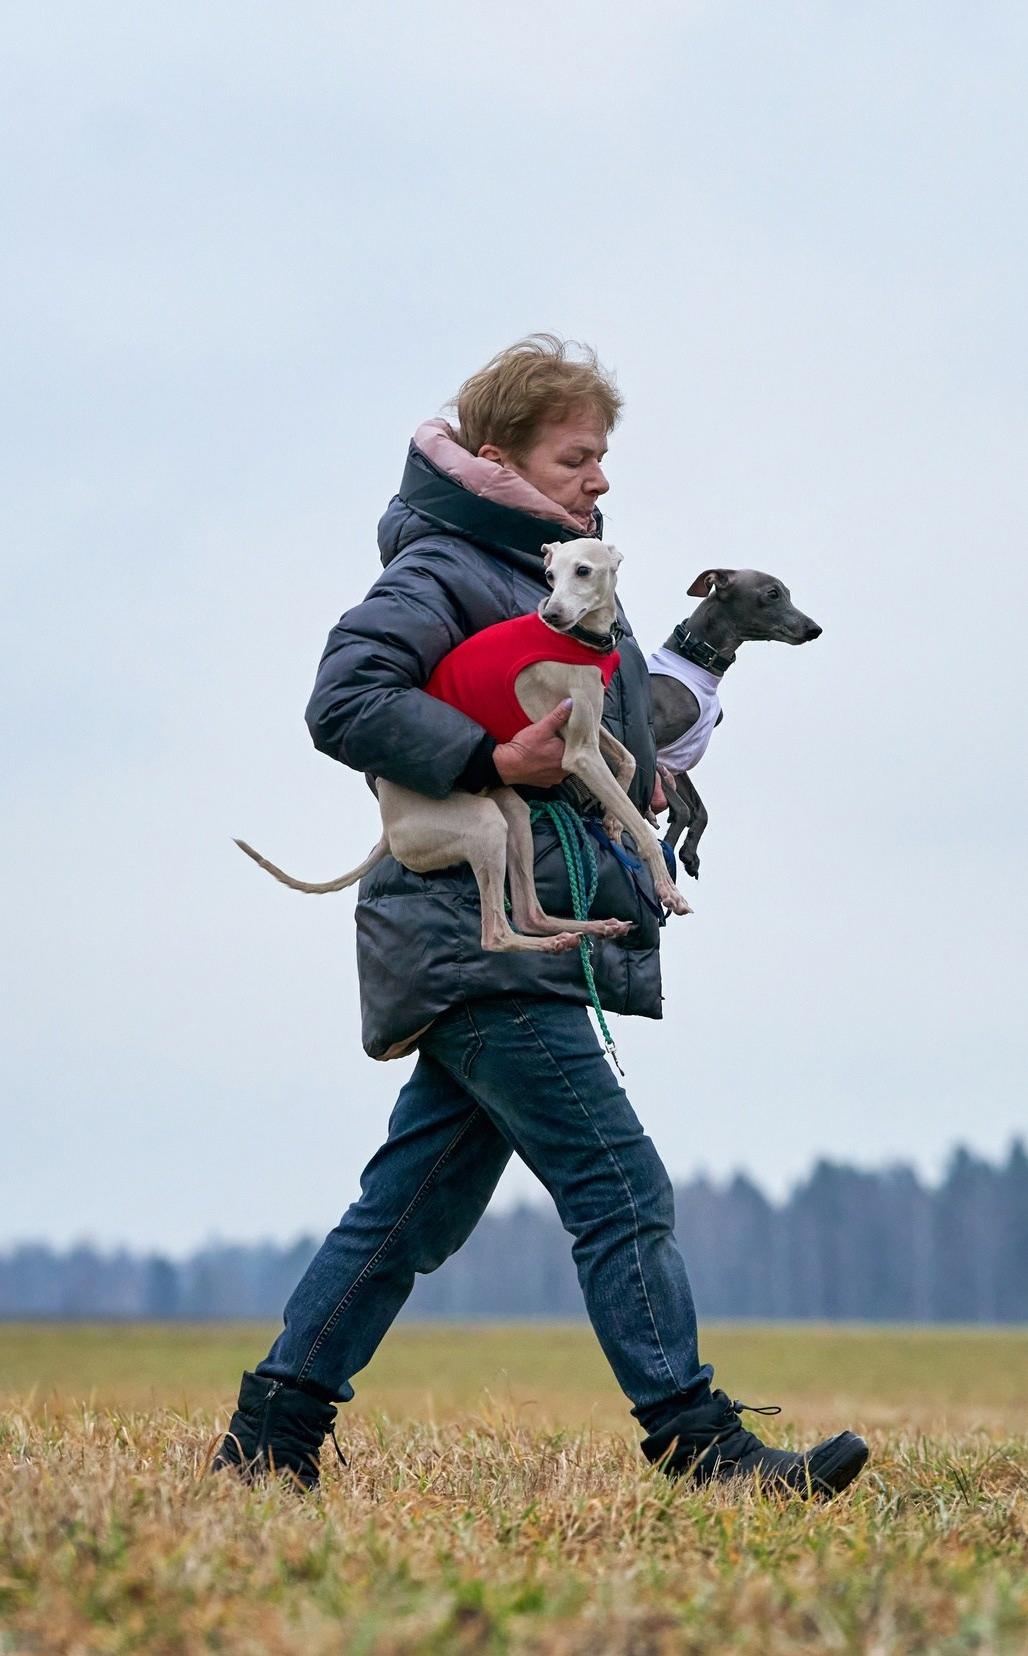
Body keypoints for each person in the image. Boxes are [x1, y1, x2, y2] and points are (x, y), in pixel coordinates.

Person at [212, 336, 868, 1499]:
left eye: (602, 457)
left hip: (527, 936)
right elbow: (345, 698)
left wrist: (646, 774)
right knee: (619, 1186)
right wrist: (483, 755)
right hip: (475, 936)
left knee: (407, 1213)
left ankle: (269, 1440)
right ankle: (701, 1447)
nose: (599, 477)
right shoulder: (439, 570)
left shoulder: (564, 576)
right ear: (498, 459)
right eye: (575, 458)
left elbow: (607, 734)